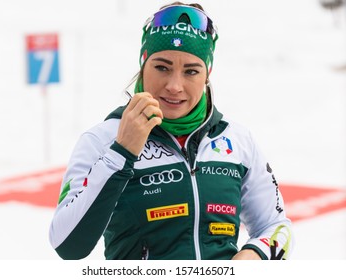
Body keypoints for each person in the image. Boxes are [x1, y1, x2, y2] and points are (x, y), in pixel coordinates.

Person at [49, 2, 294, 260]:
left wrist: (256, 256)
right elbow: (67, 245)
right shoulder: (102, 140)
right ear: (144, 64)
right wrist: (120, 153)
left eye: (191, 71)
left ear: (207, 74)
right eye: (162, 67)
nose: (175, 86)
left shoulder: (237, 141)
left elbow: (277, 227)